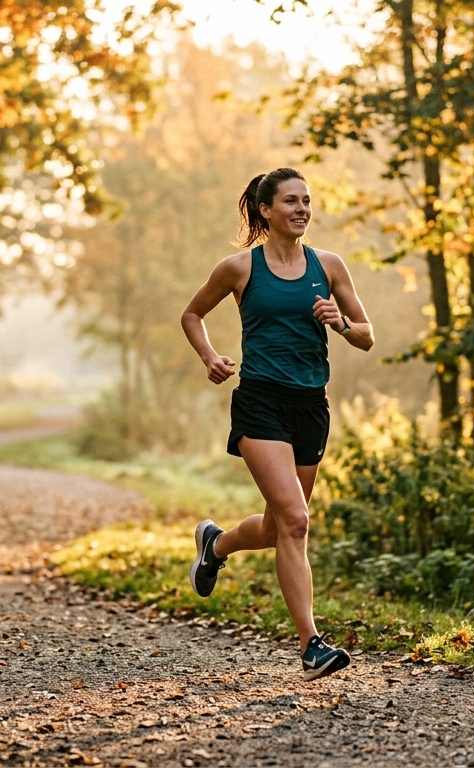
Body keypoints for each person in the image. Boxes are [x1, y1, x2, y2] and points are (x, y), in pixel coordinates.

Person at [180, 167, 374, 681]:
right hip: (260, 403)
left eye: (307, 201)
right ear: (266, 210)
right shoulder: (239, 268)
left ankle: (216, 545)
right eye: (291, 200)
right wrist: (210, 358)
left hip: (311, 406)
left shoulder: (328, 266)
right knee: (297, 520)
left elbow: (367, 335)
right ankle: (311, 645)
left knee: (277, 525)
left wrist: (342, 323)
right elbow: (192, 315)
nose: (302, 209)